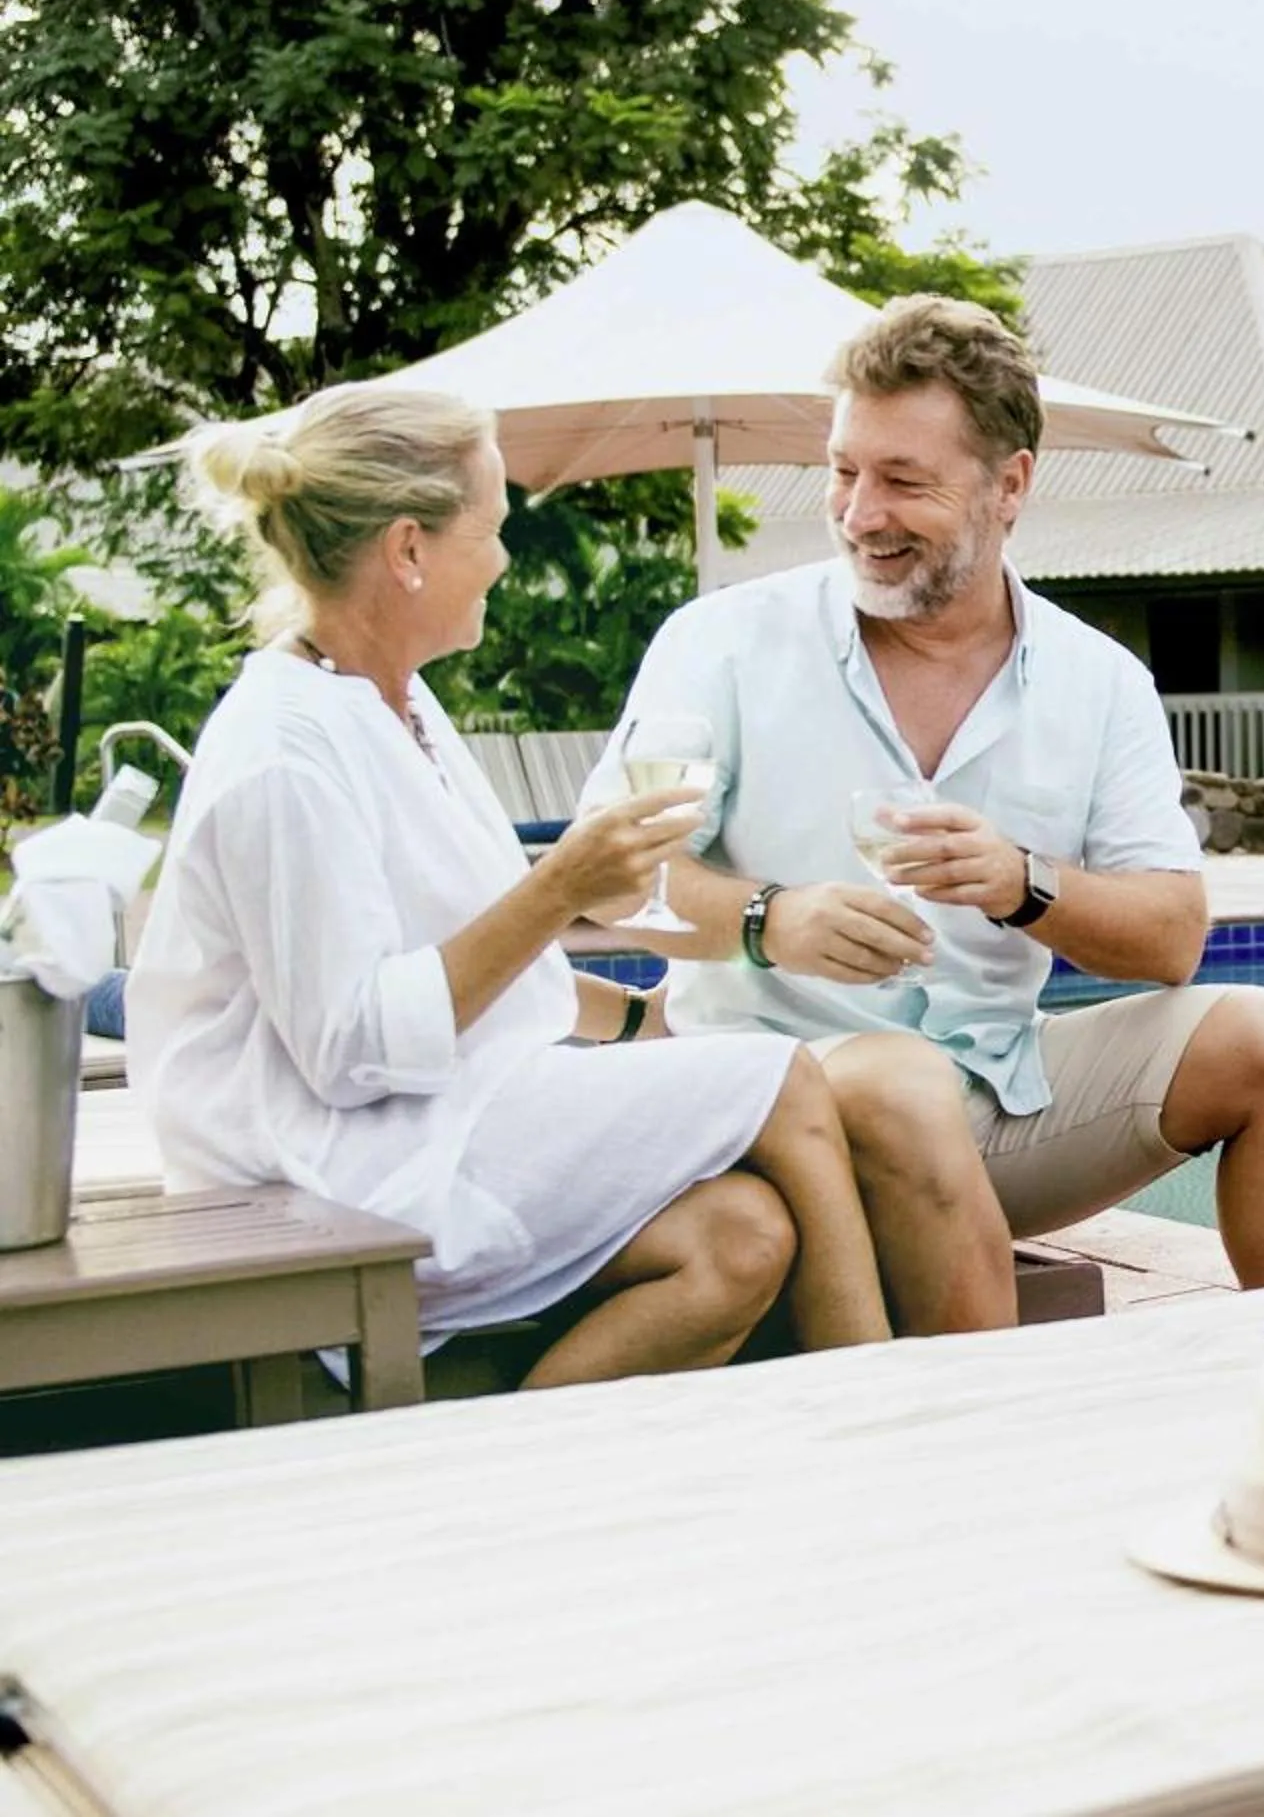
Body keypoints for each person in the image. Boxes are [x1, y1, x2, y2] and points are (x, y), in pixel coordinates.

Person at [599, 294, 1264, 1322]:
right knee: (900, 1084)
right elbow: (611, 887)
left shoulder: (1100, 681)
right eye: (845, 471)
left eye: (903, 481)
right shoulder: (721, 644)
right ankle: (990, 1442)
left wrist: (1023, 884)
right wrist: (770, 922)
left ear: (1011, 486)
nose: (861, 513)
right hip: (772, 1110)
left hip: (1000, 1104)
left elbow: (1172, 939)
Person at [128, 384, 894, 1387]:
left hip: (427, 1122)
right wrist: (560, 884)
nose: (502, 558)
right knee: (783, 1081)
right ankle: (888, 1415)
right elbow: (352, 1050)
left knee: (739, 1237)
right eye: (489, 530)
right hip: (328, 1166)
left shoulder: (392, 705)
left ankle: (492, 1489)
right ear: (408, 551)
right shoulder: (282, 754)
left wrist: (638, 1021)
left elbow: (456, 958)